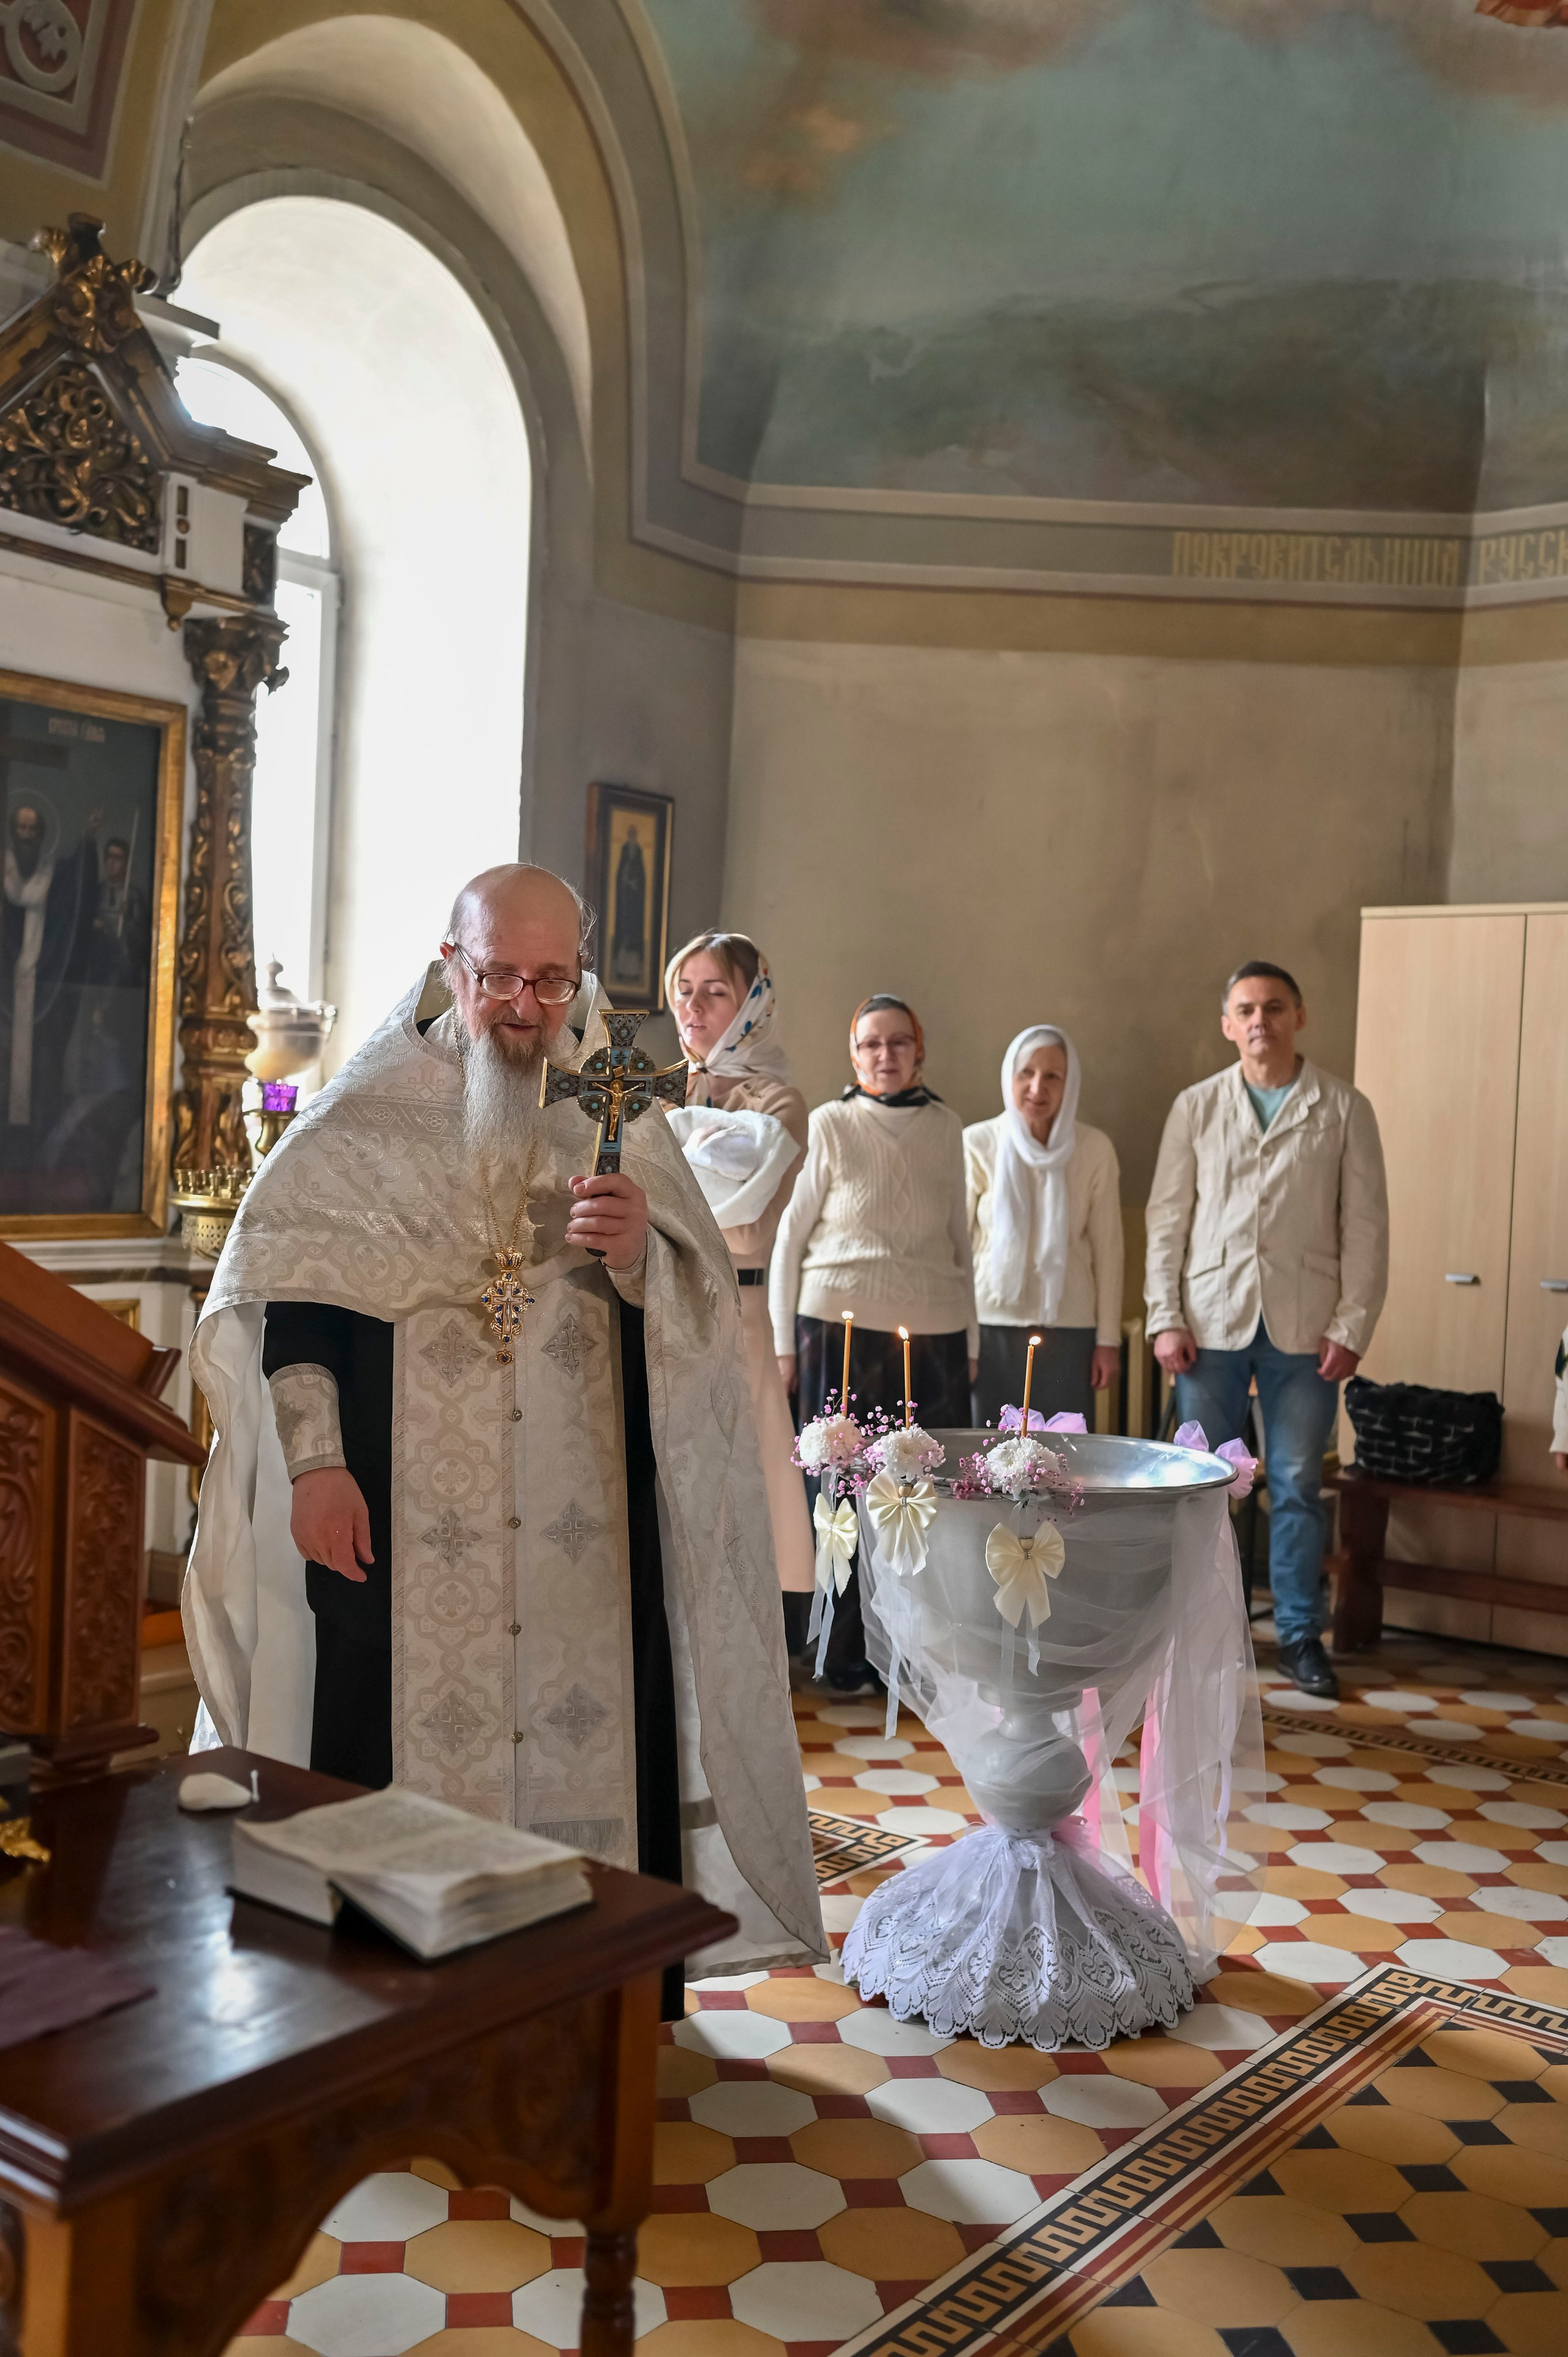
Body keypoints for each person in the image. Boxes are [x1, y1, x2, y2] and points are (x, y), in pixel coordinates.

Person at [184, 864, 823, 1995]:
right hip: (399, 1528)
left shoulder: (617, 1113)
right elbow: (299, 1307)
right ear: (451, 966)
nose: (527, 1006)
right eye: (501, 978)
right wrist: (318, 1468)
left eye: (553, 980)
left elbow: (694, 1314)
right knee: (383, 1778)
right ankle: (392, 2009)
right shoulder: (360, 1119)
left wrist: (643, 1253)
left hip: (589, 1543)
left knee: (598, 1756)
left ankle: (594, 2008)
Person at [1145, 960, 1388, 1701]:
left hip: (1305, 1326)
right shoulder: (1195, 1106)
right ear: (1227, 1024)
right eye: (1246, 1009)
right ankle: (1196, 1629)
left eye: (1274, 1007)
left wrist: (1352, 1323)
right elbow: (1167, 1218)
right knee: (1201, 1486)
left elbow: (1367, 1227)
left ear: (1298, 1016)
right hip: (1209, 1320)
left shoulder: (1343, 1107)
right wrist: (1163, 1315)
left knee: (1295, 1484)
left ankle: (1299, 1635)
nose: (1260, 1020)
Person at [771, 993, 977, 1691]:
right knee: (844, 1495)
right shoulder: (829, 1124)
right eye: (870, 1044)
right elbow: (791, 1239)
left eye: (898, 1042)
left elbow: (960, 1238)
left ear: (920, 1050)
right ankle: (841, 1652)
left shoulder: (948, 1126)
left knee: (920, 1496)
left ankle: (912, 1658)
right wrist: (783, 1344)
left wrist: (972, 1336)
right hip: (839, 1325)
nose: (885, 1055)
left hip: (935, 1327)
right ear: (853, 1055)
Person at [666, 930, 815, 1597]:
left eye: (715, 991)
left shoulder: (777, 1101)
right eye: (684, 990)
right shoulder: (653, 1091)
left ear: (754, 1003)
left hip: (736, 1311)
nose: (693, 1007)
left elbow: (744, 1223)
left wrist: (667, 1164)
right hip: (656, 1300)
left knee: (734, 1486)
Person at [965, 1025, 1124, 1428]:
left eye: (1053, 1076)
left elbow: (1109, 1251)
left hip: (1070, 1331)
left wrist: (1108, 1341)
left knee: (1063, 1455)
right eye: (1027, 1073)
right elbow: (957, 1252)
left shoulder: (1095, 1149)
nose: (1038, 1088)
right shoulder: (977, 1143)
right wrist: (964, 1343)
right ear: (1010, 1076)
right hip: (990, 1330)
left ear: (1070, 1084)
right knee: (987, 1454)